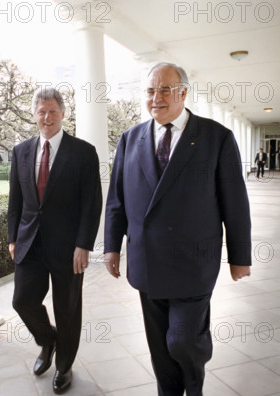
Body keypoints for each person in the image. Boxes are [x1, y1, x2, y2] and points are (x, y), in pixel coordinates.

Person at [104, 62, 252, 396]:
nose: (156, 97)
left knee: (183, 340)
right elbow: (117, 199)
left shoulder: (217, 138)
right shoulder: (130, 139)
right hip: (148, 263)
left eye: (165, 89)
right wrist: (112, 246)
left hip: (194, 263)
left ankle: (193, 381)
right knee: (159, 348)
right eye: (150, 90)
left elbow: (236, 203)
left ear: (183, 92)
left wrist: (239, 256)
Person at [7, 87, 102, 394]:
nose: (46, 117)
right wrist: (12, 238)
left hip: (68, 247)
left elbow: (92, 203)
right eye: (41, 112)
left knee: (68, 307)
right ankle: (48, 340)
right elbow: (15, 201)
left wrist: (84, 244)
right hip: (30, 243)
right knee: (22, 300)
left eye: (52, 111)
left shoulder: (84, 152)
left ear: (63, 113)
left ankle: (64, 366)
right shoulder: (21, 151)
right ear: (34, 115)